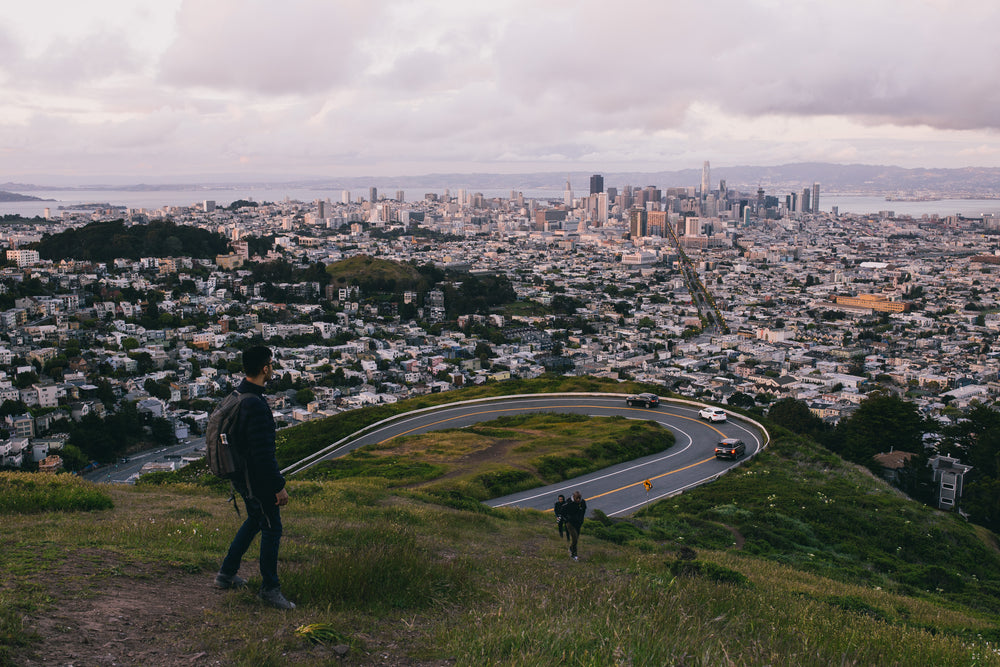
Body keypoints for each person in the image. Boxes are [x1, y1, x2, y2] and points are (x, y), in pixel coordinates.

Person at [214, 346, 295, 610]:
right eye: (271, 364)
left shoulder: (238, 396)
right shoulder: (255, 405)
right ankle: (270, 589)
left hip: (240, 475)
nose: (273, 368)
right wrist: (278, 486)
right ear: (265, 368)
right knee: (272, 527)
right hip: (256, 478)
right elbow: (263, 454)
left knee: (254, 520)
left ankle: (226, 573)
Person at [563, 491, 587, 560]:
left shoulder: (582, 502)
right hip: (570, 523)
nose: (578, 500)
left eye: (579, 498)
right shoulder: (568, 502)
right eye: (577, 498)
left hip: (578, 523)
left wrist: (581, 520)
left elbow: (583, 511)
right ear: (573, 497)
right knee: (575, 538)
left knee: (576, 539)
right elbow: (563, 511)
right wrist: (567, 519)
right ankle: (574, 555)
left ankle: (571, 548)